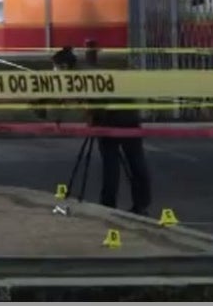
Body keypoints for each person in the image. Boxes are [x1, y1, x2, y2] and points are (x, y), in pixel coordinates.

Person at [52, 45, 152, 216]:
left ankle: (109, 205)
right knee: (134, 163)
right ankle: (140, 204)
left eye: (55, 67)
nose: (54, 71)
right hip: (128, 117)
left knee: (112, 166)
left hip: (113, 119)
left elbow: (97, 101)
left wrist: (91, 115)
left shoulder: (80, 76)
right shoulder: (85, 72)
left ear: (64, 66)